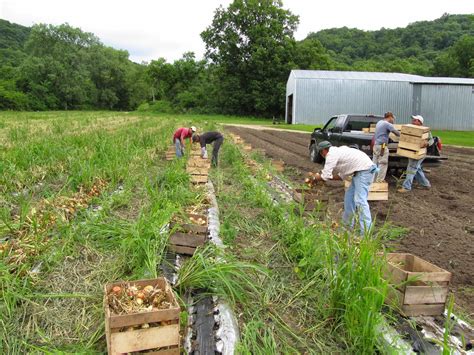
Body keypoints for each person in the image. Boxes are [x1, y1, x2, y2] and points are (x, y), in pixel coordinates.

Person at [311, 141, 378, 235]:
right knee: (349, 198)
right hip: (359, 172)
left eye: (321, 153)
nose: (321, 155)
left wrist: (316, 177)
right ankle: (347, 227)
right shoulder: (338, 153)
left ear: (323, 151)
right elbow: (341, 176)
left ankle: (366, 233)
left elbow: (325, 176)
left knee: (360, 200)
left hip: (365, 171)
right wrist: (324, 176)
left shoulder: (331, 155)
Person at [398, 115, 433, 193]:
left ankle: (406, 187)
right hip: (412, 152)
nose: (412, 121)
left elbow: (431, 140)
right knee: (417, 169)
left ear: (419, 122)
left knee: (411, 169)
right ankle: (426, 185)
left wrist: (426, 143)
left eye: (415, 120)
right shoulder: (411, 129)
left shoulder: (425, 131)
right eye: (413, 120)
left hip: (418, 154)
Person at [372, 112, 401, 182]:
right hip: (382, 146)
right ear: (390, 117)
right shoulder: (387, 124)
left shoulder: (379, 122)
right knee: (383, 163)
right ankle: (379, 181)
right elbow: (396, 133)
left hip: (376, 145)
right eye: (393, 119)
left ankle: (373, 180)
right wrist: (405, 134)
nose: (393, 120)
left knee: (375, 163)